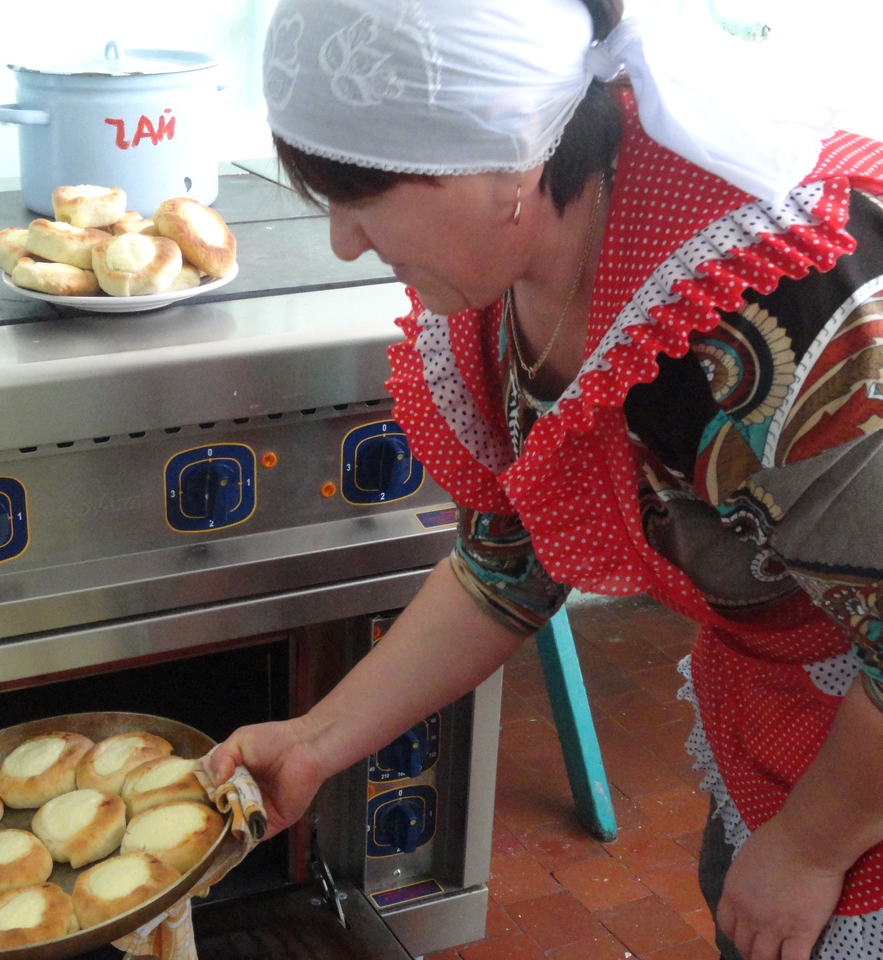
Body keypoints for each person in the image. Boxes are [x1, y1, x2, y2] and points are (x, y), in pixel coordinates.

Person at [205, 2, 883, 959]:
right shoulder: (507, 279)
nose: (344, 241)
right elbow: (504, 566)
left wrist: (812, 847)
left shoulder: (780, 306)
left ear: (507, 159)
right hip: (793, 695)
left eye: (363, 192)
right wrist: (313, 743)